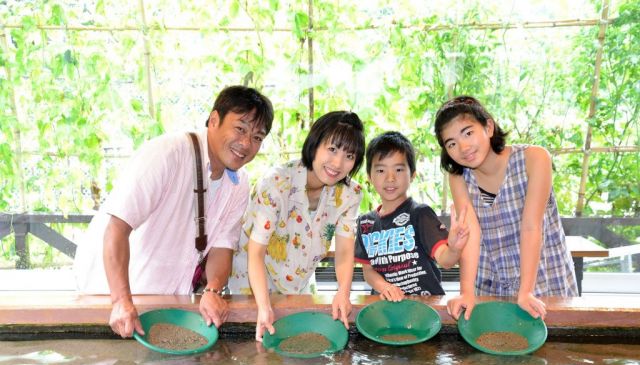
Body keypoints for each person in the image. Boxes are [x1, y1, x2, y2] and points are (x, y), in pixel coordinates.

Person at [74, 85, 274, 338]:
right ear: (214, 120)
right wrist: (121, 301)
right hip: (114, 299)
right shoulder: (168, 154)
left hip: (170, 306)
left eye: (257, 137)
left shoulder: (239, 183)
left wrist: (212, 290)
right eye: (240, 128)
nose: (246, 143)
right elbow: (116, 228)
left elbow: (223, 247)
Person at [434, 95, 577, 321]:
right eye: (451, 143)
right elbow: (471, 234)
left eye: (468, 133)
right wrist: (467, 292)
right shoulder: (459, 177)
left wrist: (526, 291)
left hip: (543, 280)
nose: (463, 147)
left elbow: (531, 226)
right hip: (492, 284)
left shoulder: (534, 159)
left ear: (488, 127)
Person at [227, 111, 365, 341]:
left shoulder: (350, 193)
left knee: (298, 344)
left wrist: (343, 293)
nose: (338, 163)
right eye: (332, 149)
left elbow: (343, 251)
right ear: (315, 144)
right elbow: (256, 252)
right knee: (253, 345)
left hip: (298, 276)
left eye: (349, 155)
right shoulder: (277, 183)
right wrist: (263, 306)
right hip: (254, 276)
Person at [354, 131, 469, 301]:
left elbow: (445, 261)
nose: (390, 178)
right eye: (381, 170)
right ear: (370, 177)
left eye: (399, 169)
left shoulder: (420, 214)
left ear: (412, 175)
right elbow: (368, 271)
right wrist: (385, 287)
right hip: (386, 310)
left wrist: (454, 248)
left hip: (426, 308)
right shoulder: (366, 223)